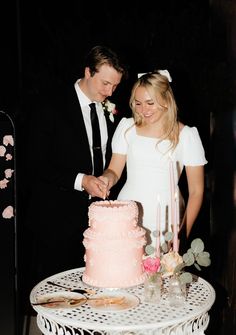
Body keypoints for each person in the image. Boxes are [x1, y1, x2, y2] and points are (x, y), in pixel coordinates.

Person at [22, 45, 128, 288]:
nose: (110, 92)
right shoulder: (50, 105)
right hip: (55, 221)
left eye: (115, 86)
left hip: (98, 222)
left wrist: (105, 180)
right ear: (88, 72)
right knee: (59, 295)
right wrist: (82, 181)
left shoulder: (112, 109)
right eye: (105, 83)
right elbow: (36, 164)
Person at [98, 70, 207, 248]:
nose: (143, 110)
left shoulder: (187, 136)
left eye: (150, 103)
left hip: (166, 220)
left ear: (166, 100)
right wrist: (106, 179)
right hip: (127, 214)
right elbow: (114, 170)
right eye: (138, 103)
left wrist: (181, 234)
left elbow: (196, 191)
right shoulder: (127, 127)